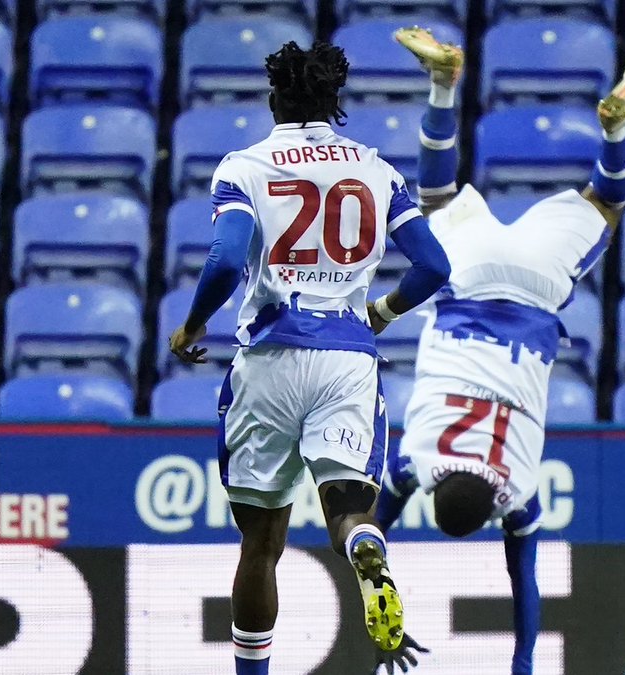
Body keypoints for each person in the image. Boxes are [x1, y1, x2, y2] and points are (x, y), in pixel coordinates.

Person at [374, 28, 625, 675]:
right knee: (436, 197)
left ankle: (617, 131)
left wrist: (524, 661)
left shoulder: (519, 490)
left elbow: (525, 581)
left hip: (533, 289)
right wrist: (378, 593)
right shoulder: (415, 459)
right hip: (468, 275)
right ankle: (444, 84)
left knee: (610, 201)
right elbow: (373, 530)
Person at [168, 40, 451, 675]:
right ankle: (365, 546)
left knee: (260, 544)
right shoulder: (376, 170)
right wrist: (382, 311)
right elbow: (434, 267)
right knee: (349, 509)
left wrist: (190, 326)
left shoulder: (245, 166)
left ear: (275, 100)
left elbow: (224, 260)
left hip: (269, 356)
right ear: (334, 103)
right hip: (347, 357)